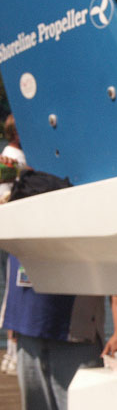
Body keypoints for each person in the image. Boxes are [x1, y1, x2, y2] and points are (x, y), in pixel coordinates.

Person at [0, 114, 117, 410]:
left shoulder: (81, 185)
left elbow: (112, 259)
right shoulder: (19, 180)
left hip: (71, 331)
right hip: (27, 328)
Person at [0, 114, 26, 375]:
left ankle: (10, 352)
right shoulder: (16, 160)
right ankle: (15, 352)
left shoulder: (6, 157)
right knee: (16, 291)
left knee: (12, 290)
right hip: (14, 231)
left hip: (5, 231)